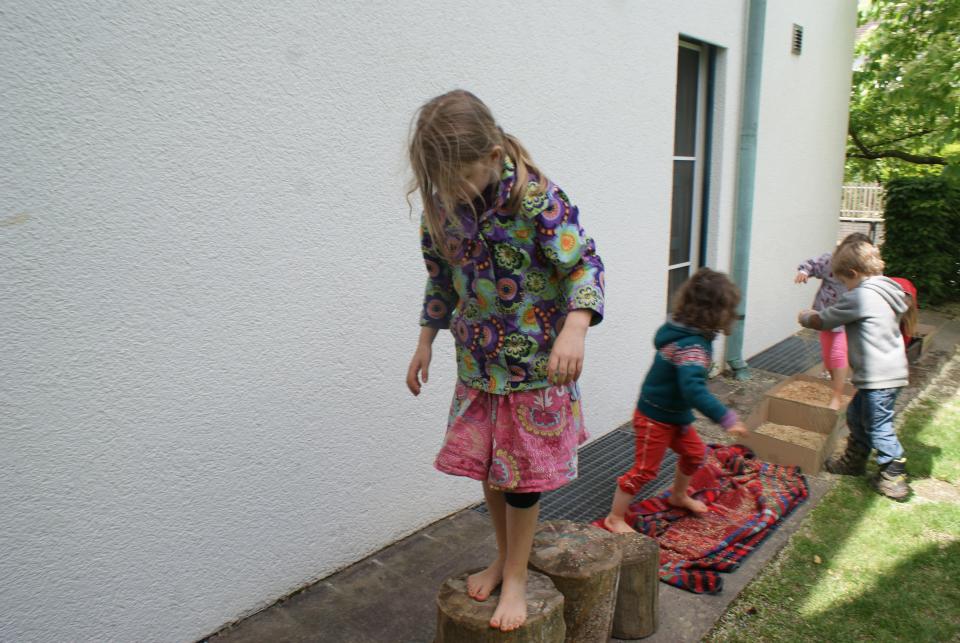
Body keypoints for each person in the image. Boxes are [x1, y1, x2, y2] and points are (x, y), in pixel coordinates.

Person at [405, 90, 605, 631]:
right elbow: (440, 280)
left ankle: (516, 576)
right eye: (441, 183)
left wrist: (576, 328)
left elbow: (584, 265)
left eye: (461, 179)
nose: (450, 192)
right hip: (478, 365)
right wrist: (425, 339)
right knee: (493, 469)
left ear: (493, 157)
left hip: (535, 369)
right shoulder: (442, 208)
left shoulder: (537, 201)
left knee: (520, 479)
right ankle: (504, 558)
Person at [600, 268, 748, 534]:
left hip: (674, 416)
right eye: (729, 309)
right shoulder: (692, 346)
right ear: (715, 312)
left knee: (695, 454)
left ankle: (678, 496)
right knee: (644, 470)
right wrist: (725, 417)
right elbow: (694, 391)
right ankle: (614, 517)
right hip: (654, 418)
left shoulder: (685, 331)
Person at [799, 239, 911, 500]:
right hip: (889, 374)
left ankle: (894, 475)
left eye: (843, 282)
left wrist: (806, 317)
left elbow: (826, 319)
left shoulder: (861, 296)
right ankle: (854, 461)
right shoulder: (888, 290)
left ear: (853, 273)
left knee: (878, 426)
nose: (844, 288)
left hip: (878, 377)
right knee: (857, 416)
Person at [795, 233, 872, 409]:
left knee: (838, 354)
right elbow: (812, 264)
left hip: (846, 320)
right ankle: (835, 382)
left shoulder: (865, 272)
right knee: (828, 356)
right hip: (825, 318)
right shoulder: (830, 261)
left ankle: (837, 395)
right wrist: (803, 271)